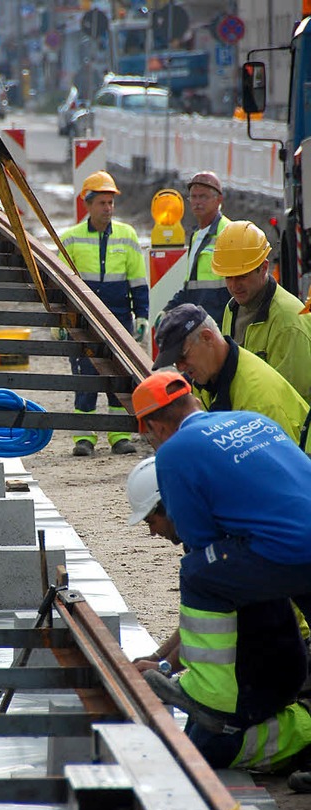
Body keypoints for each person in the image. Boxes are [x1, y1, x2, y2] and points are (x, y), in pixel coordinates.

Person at [130, 371, 311, 771]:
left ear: (156, 427)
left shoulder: (174, 453)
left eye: (153, 522)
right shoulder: (251, 420)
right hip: (303, 544)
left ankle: (209, 696)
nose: (154, 532)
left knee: (197, 572)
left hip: (288, 558)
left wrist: (167, 668)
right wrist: (161, 660)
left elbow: (205, 560)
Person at [59, 170, 149, 457]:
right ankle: (84, 439)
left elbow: (137, 279)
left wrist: (143, 314)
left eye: (111, 203)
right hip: (83, 323)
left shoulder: (128, 235)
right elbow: (59, 286)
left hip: (119, 319)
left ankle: (119, 436)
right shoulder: (70, 239)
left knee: (119, 380)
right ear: (88, 203)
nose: (108, 208)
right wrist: (60, 321)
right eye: (102, 203)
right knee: (85, 379)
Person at [153, 303, 311, 452]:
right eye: (175, 362)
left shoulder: (257, 402)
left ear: (207, 338)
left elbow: (275, 473)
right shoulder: (209, 374)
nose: (180, 367)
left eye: (182, 357)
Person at [211, 219, 311, 404]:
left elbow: (293, 402)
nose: (234, 285)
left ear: (264, 268)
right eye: (228, 277)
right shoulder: (232, 309)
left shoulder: (288, 322)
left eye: (242, 276)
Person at [159, 171, 231, 326]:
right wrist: (168, 310)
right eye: (194, 196)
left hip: (221, 323)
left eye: (203, 196)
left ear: (219, 199)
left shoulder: (229, 232)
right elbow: (190, 286)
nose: (198, 202)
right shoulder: (196, 236)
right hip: (200, 322)